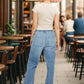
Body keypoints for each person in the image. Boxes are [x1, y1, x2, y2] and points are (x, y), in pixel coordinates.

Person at [23, 0, 60, 84]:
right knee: (51, 64)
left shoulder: (37, 7)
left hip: (39, 34)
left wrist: (32, 37)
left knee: (32, 62)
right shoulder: (55, 8)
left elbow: (34, 25)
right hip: (51, 35)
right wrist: (58, 41)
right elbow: (57, 27)